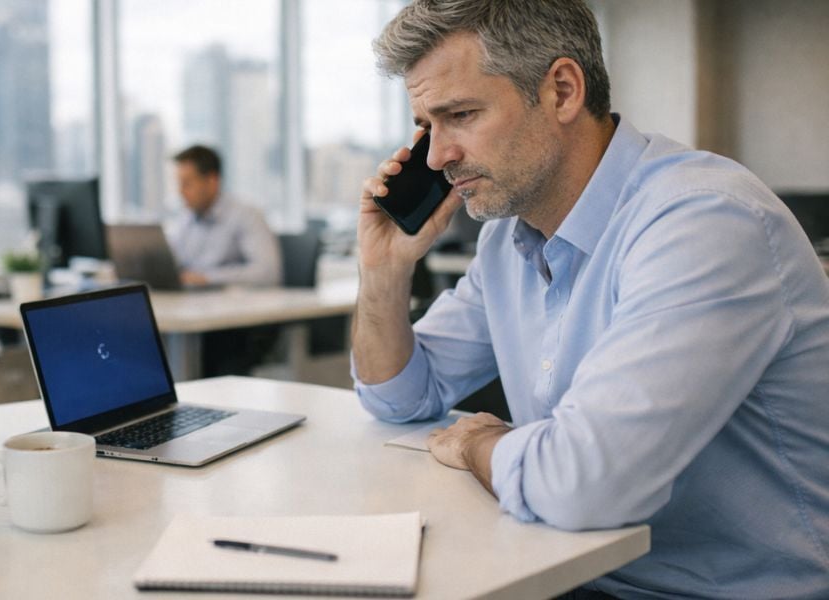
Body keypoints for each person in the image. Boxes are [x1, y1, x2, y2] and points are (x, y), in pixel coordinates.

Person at [352, 1, 829, 598]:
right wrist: (383, 271)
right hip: (569, 569)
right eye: (427, 126)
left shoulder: (705, 221)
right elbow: (398, 397)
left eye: (461, 115)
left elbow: (583, 484)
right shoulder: (509, 239)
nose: (436, 157)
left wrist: (479, 442)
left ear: (562, 90)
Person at [167, 145, 281, 287]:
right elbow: (174, 263)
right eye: (179, 184)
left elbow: (267, 273)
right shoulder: (185, 219)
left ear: (212, 181)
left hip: (234, 303)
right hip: (191, 301)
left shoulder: (247, 215)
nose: (181, 192)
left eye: (187, 184)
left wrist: (207, 278)